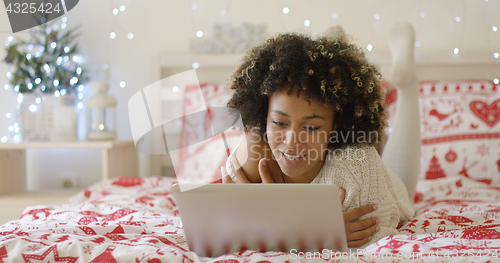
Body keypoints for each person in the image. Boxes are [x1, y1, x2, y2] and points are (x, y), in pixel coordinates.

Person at [220, 31, 415, 248]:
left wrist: (279, 224)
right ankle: (331, 39)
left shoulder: (358, 166)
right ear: (264, 117)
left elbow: (378, 236)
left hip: (386, 189)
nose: (292, 141)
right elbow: (223, 228)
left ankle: (408, 86)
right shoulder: (255, 153)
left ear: (335, 125)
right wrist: (309, 232)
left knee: (398, 174)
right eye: (279, 122)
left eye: (311, 127)